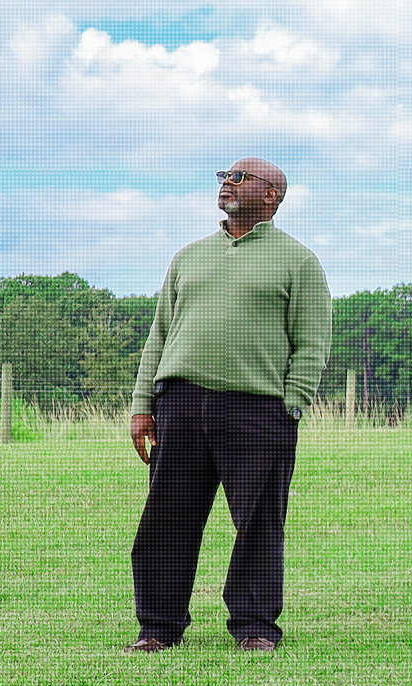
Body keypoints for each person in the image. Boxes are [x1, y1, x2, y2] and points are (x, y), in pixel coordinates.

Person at [123, 157, 331, 654]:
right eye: (224, 177)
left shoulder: (297, 261)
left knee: (258, 521)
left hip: (259, 411)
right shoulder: (188, 257)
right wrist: (142, 403)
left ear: (272, 195)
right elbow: (160, 334)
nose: (226, 184)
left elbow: (313, 342)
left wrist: (292, 404)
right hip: (180, 404)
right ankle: (157, 628)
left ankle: (255, 627)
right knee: (166, 519)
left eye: (239, 178)